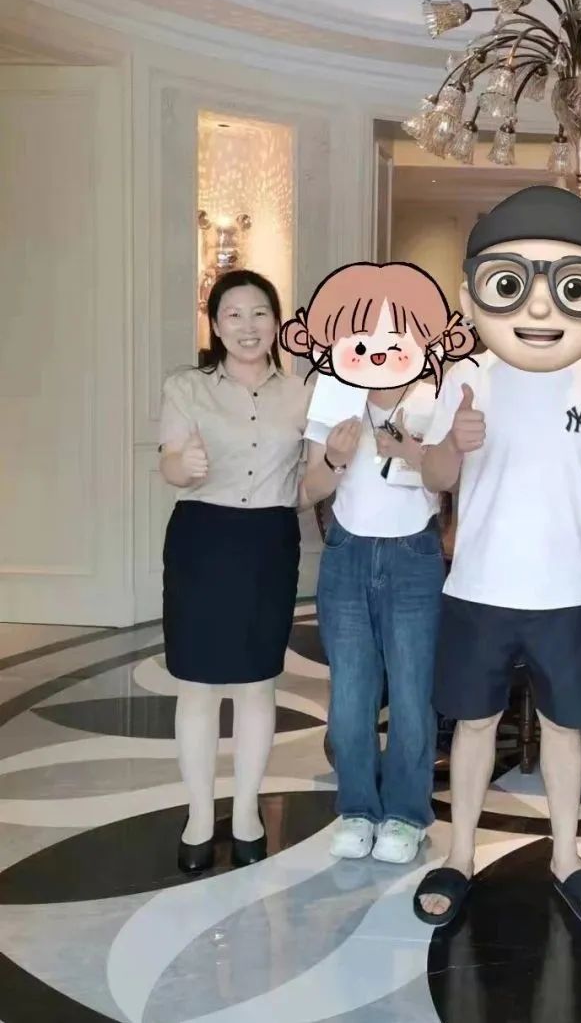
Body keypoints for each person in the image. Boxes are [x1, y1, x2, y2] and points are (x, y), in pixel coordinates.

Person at [412, 185, 581, 931]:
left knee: (567, 729)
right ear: (473, 299)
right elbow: (435, 477)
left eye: (569, 287)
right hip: (479, 586)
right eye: (512, 284)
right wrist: (453, 443)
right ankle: (460, 853)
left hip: (565, 592)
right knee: (474, 725)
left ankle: (567, 858)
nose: (539, 308)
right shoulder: (466, 377)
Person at [281, 262, 476, 865]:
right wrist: (336, 459)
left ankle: (406, 814)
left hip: (415, 554)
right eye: (365, 337)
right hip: (347, 552)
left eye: (397, 336)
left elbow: (445, 479)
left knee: (414, 692)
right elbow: (306, 492)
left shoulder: (434, 393)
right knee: (351, 692)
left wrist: (410, 449)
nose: (381, 349)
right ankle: (358, 808)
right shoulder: (333, 390)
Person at [158, 269, 311, 873]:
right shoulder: (186, 387)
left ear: (277, 322)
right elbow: (170, 465)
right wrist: (184, 465)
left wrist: (336, 461)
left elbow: (305, 489)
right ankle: (199, 815)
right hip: (202, 539)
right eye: (234, 315)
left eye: (260, 313)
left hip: (269, 541)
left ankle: (247, 811)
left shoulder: (301, 394)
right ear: (216, 326)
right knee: (196, 685)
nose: (248, 326)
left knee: (256, 684)